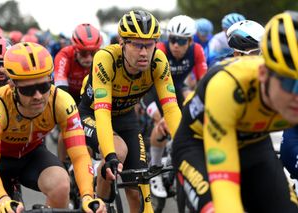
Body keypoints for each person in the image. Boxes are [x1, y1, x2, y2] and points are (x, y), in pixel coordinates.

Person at [172, 11, 298, 213]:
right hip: (198, 144)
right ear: (264, 73)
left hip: (254, 143)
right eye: (289, 82)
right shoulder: (228, 85)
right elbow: (225, 187)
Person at [0, 42, 106, 213]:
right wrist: (1, 199)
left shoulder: (60, 101)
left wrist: (88, 196)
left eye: (44, 86)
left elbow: (80, 155)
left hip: (31, 155)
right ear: (12, 85)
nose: (38, 96)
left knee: (61, 185)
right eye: (28, 89)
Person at [78, 10, 181, 212]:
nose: (144, 52)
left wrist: (185, 147)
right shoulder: (105, 59)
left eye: (149, 44)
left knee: (140, 187)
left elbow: (171, 110)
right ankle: (102, 203)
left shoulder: (158, 61)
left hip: (125, 118)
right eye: (136, 44)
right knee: (119, 152)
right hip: (92, 114)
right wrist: (109, 156)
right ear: (122, 42)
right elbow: (103, 113)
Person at [141, 14, 207, 198]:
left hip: (174, 88)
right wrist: (158, 116)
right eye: (172, 39)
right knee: (161, 124)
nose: (175, 45)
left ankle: (175, 154)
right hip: (151, 90)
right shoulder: (159, 49)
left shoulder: (197, 51)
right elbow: (144, 84)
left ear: (190, 41)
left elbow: (203, 82)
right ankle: (154, 168)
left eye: (180, 41)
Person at [54, 23, 102, 162]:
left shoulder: (102, 56)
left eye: (93, 53)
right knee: (67, 128)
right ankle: (61, 165)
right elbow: (61, 88)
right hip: (68, 94)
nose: (88, 58)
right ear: (75, 49)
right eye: (83, 53)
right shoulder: (64, 55)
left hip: (89, 96)